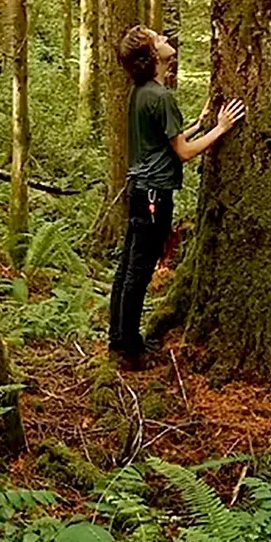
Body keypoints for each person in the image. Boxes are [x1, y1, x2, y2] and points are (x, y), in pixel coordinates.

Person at [108, 24, 246, 367]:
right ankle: (129, 350)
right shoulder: (160, 96)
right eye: (158, 39)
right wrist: (221, 129)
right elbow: (183, 153)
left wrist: (200, 124)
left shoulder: (142, 92)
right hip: (154, 192)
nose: (165, 39)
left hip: (141, 189)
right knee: (138, 270)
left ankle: (120, 339)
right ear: (151, 56)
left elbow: (165, 143)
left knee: (128, 266)